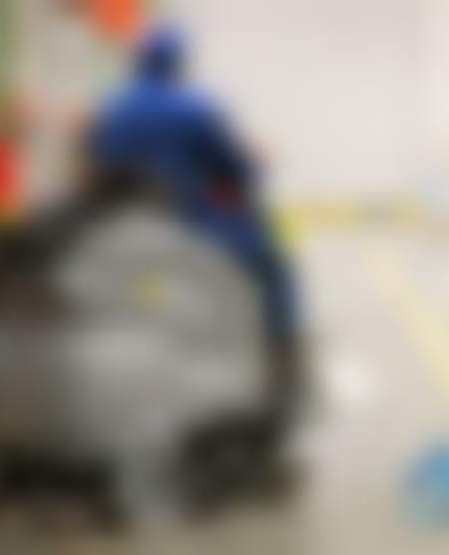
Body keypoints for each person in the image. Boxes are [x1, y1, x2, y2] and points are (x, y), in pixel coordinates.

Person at [87, 26, 302, 439]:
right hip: (191, 234)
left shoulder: (112, 110)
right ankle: (281, 360)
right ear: (179, 63)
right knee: (272, 266)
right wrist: (254, 162)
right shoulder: (195, 110)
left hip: (125, 236)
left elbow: (95, 167)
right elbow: (236, 169)